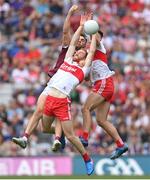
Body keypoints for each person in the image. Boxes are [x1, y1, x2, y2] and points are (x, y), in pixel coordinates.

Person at [12, 5, 87, 152]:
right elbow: (66, 31)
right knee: (43, 123)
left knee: (58, 117)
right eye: (80, 39)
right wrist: (70, 14)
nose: (80, 41)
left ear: (85, 45)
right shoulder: (68, 49)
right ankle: (36, 137)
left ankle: (58, 139)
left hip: (64, 89)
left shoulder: (83, 62)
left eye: (84, 41)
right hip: (52, 83)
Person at [42, 14, 96, 175]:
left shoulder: (83, 69)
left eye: (82, 53)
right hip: (50, 97)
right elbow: (72, 42)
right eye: (78, 52)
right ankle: (61, 136)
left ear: (85, 59)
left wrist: (93, 34)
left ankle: (87, 158)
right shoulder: (67, 60)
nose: (78, 52)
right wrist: (80, 26)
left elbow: (91, 50)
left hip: (62, 101)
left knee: (73, 136)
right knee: (44, 128)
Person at [79, 30, 128, 159]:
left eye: (96, 36)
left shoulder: (100, 48)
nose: (93, 39)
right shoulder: (89, 57)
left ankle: (84, 137)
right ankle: (120, 145)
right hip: (103, 84)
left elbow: (95, 39)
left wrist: (91, 29)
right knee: (101, 120)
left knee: (85, 109)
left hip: (104, 83)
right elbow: (87, 79)